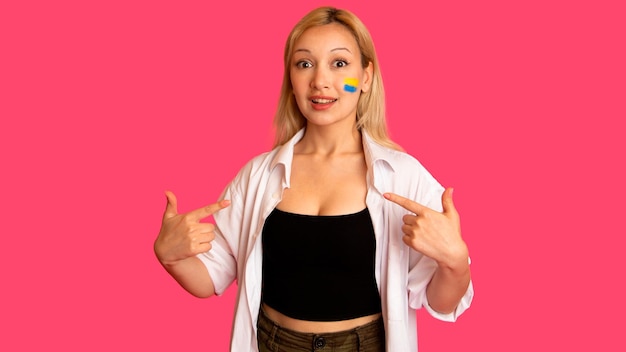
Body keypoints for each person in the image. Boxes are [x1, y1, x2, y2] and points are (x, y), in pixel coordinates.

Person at [154, 6, 473, 352]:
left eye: (339, 64)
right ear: (291, 78)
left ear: (365, 77)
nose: (320, 81)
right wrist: (171, 256)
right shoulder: (259, 175)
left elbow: (440, 302)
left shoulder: (403, 177)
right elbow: (211, 277)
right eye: (304, 64)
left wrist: (455, 263)